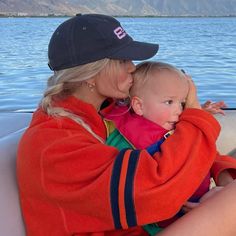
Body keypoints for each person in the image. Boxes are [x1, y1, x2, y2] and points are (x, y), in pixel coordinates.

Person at [17, 14, 236, 236]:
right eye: (122, 60)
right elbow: (155, 191)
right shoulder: (52, 143)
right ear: (90, 74)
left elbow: (169, 140)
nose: (133, 68)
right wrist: (194, 113)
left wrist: (223, 179)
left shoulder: (113, 111)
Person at [103, 61, 236, 235]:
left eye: (182, 103)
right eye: (169, 102)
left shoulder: (167, 126)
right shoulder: (130, 144)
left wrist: (224, 186)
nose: (179, 111)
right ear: (139, 106)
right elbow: (151, 193)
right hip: (159, 225)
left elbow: (205, 152)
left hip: (194, 206)